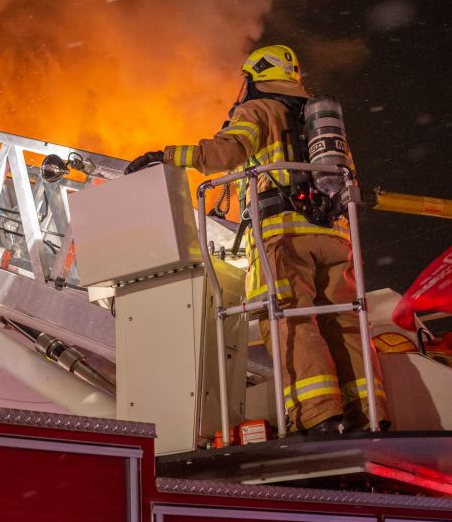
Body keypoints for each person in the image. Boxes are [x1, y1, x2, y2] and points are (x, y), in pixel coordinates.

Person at [125, 44, 387, 435]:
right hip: (335, 234)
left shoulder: (259, 109)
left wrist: (166, 155)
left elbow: (225, 154)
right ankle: (370, 414)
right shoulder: (323, 123)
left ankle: (318, 415)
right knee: (343, 320)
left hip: (284, 235)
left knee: (288, 318)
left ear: (256, 76)